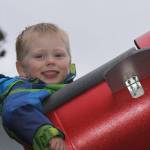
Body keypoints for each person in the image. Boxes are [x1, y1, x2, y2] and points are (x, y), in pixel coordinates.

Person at [0, 23, 76, 150]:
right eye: (39, 56)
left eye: (58, 55)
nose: (50, 61)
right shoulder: (25, 90)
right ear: (22, 69)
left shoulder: (75, 89)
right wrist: (46, 134)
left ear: (69, 62)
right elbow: (17, 110)